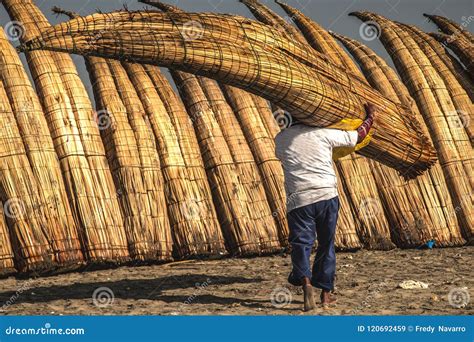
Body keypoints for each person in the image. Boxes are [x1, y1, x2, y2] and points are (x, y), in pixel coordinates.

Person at [275, 103, 376, 311]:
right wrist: (370, 117)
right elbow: (357, 135)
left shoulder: (281, 139)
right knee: (326, 244)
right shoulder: (324, 134)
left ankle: (306, 283)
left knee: (301, 244)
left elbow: (284, 157)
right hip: (326, 195)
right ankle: (326, 295)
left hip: (299, 199)